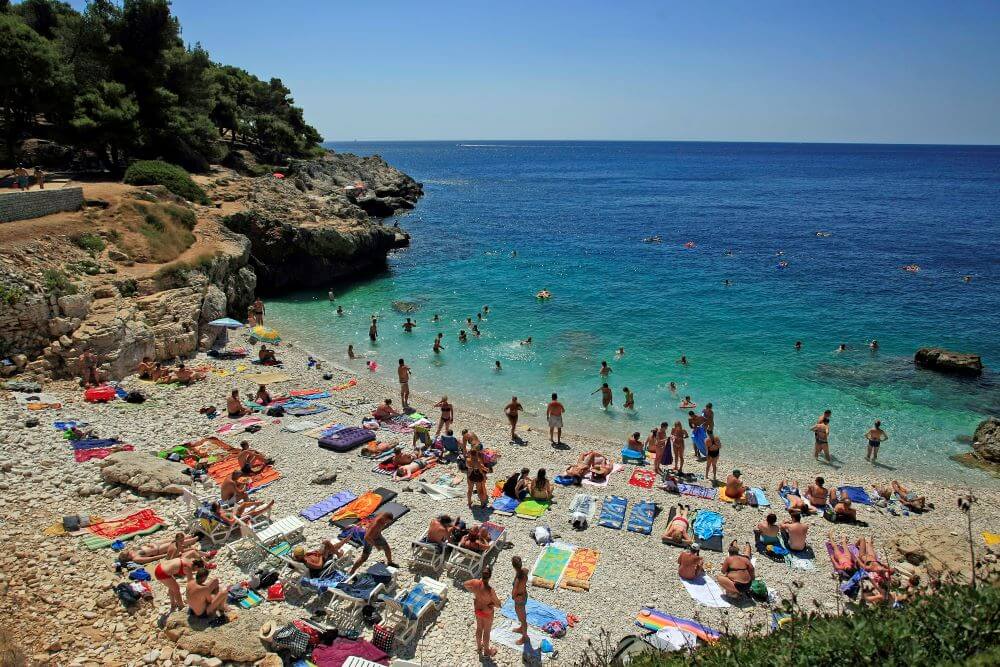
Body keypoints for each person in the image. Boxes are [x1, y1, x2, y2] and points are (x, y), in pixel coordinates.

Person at [464, 566, 501, 657]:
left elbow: (465, 584)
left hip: (478, 609)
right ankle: (487, 650)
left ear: (482, 575)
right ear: (490, 576)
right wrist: (494, 604)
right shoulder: (490, 590)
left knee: (479, 628)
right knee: (487, 631)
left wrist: (473, 591)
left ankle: (479, 647)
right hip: (487, 612)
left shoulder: (475, 582)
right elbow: (498, 605)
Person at [511, 556, 529, 645]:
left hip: (519, 599)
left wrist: (514, 597)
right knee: (523, 617)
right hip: (524, 595)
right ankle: (521, 628)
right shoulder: (525, 571)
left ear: (513, 566)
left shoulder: (518, 579)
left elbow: (513, 594)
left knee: (523, 619)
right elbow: (527, 571)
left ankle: (525, 637)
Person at [466, 443, 489, 508]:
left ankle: (469, 502)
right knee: (479, 490)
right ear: (476, 454)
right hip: (477, 476)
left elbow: (468, 467)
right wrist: (485, 472)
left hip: (470, 475)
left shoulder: (468, 460)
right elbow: (481, 469)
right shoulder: (478, 461)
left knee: (470, 490)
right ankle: (482, 504)